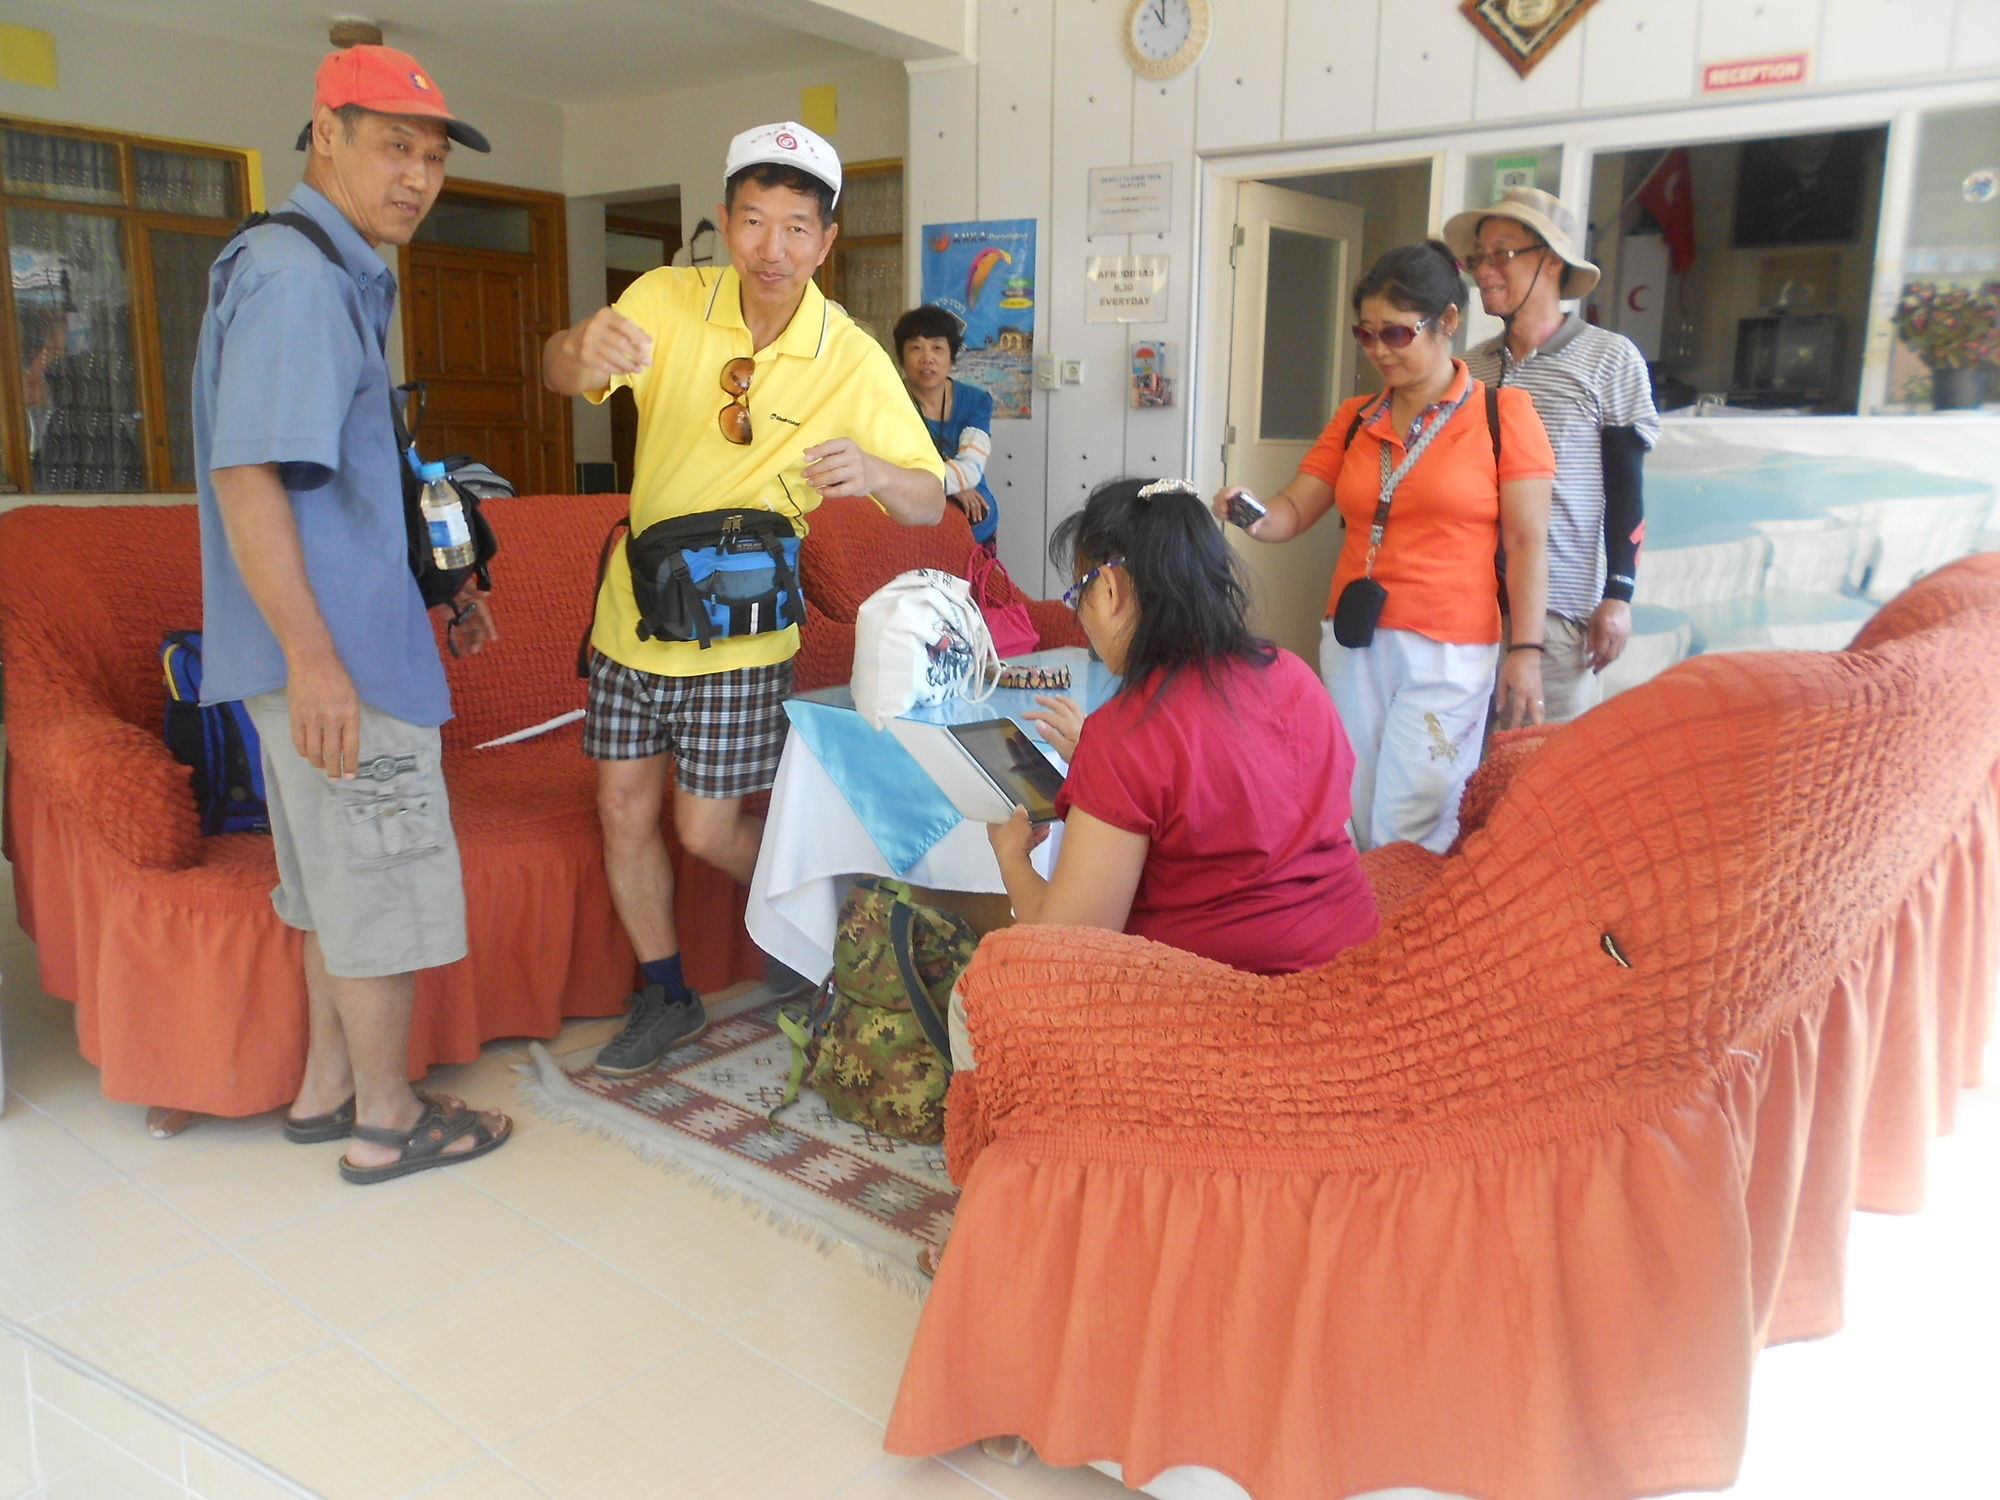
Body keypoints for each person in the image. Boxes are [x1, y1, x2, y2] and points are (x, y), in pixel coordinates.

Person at [543, 122, 946, 1078]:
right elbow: (571, 374)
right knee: (623, 811)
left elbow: (930, 498)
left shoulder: (846, 352)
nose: (773, 248)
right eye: (754, 221)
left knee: (705, 827)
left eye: (797, 228)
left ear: (827, 240)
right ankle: (666, 992)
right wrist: (574, 342)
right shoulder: (668, 298)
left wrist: (877, 468)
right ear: (724, 222)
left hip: (740, 632)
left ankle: (831, 920)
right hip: (632, 617)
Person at [194, 44, 509, 1182]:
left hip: (333, 646)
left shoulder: (317, 269)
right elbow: (250, 478)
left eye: (431, 156)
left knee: (334, 883)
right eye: (393, 146)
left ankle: (329, 1087)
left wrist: (444, 586)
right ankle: (388, 1118)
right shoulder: (298, 280)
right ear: (323, 133)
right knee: (380, 883)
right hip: (338, 666)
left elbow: (347, 483)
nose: (417, 177)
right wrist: (319, 658)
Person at [1215, 241, 1555, 855]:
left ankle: (1407, 941)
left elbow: (1529, 542)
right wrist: (1252, 516)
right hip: (1355, 638)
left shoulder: (1504, 413)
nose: (1378, 351)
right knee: (1345, 802)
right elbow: (1292, 511)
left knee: (1415, 815)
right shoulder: (1355, 417)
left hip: (1449, 646)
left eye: (1396, 334)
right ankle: (1356, 937)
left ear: (1447, 321)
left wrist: (1525, 651)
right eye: (1365, 335)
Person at [987, 477, 1379, 974]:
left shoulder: (1125, 736)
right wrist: (1100, 765)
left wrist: (1011, 856)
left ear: (1109, 590)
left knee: (974, 995)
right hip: (1349, 963)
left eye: (1076, 594)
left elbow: (1070, 949)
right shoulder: (1292, 674)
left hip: (1223, 1001)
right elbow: (1235, 777)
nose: (1079, 614)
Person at [1445, 188, 1661, 721]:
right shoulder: (1469, 370)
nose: (1484, 271)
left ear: (1551, 260)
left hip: (1559, 617)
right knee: (1462, 779)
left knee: (1539, 775)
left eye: (1501, 253)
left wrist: (1619, 595)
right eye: (1478, 257)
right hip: (1468, 612)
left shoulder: (1609, 358)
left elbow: (1626, 487)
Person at [893, 305, 999, 549]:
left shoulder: (976, 401)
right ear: (901, 356)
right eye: (915, 348)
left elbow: (972, 464)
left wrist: (946, 484)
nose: (927, 358)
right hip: (910, 528)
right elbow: (889, 464)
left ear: (952, 356)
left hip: (975, 526)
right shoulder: (890, 401)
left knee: (979, 587)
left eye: (937, 348)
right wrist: (955, 487)